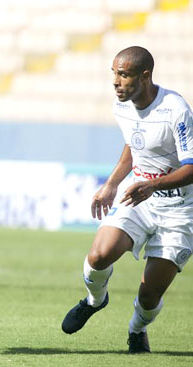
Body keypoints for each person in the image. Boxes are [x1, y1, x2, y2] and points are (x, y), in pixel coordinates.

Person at [61, 46, 193, 353]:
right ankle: (95, 300)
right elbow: (133, 145)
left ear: (144, 76)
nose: (116, 82)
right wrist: (111, 185)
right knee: (99, 255)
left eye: (123, 74)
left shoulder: (176, 109)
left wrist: (153, 186)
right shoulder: (121, 106)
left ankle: (137, 329)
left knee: (149, 296)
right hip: (139, 199)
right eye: (114, 74)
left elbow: (191, 167)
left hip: (179, 210)